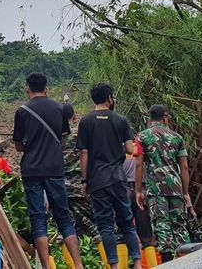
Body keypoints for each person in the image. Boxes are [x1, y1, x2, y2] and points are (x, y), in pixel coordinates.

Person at [13, 73, 84, 269]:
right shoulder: (59, 109)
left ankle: (45, 266)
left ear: (27, 87)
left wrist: (31, 146)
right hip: (54, 168)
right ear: (46, 88)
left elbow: (18, 145)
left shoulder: (22, 111)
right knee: (63, 216)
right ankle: (78, 265)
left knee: (38, 218)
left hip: (32, 170)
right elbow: (62, 140)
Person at [76, 84, 142, 269]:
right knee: (127, 223)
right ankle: (137, 263)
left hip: (97, 181)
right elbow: (130, 149)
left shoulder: (86, 122)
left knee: (105, 225)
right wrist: (116, 148)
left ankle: (113, 266)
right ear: (108, 97)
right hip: (117, 178)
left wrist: (84, 180)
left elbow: (84, 154)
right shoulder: (120, 120)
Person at [135, 105, 193, 262]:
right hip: (176, 188)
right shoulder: (177, 137)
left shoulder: (142, 137)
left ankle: (167, 261)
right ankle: (188, 261)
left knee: (161, 224)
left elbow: (139, 165)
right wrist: (185, 192)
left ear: (150, 118)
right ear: (165, 117)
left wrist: (138, 191)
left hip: (155, 189)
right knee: (179, 224)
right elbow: (185, 167)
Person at [123, 139, 153, 252]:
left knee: (124, 231)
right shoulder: (144, 147)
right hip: (142, 190)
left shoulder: (122, 148)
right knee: (146, 235)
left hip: (124, 189)